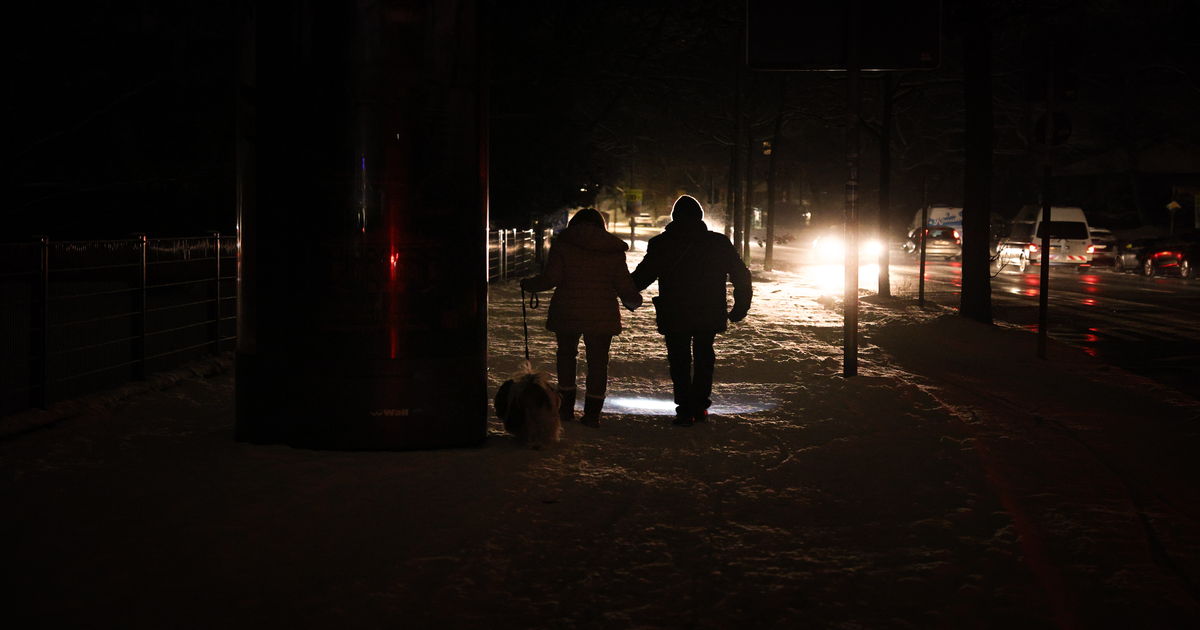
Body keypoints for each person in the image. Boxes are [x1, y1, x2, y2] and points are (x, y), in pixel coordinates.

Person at [631, 195, 751, 427]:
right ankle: (700, 405)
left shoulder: (661, 243)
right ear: (700, 217)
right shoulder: (718, 242)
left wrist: (619, 289)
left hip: (675, 312)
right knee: (705, 355)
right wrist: (741, 306)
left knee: (679, 359)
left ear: (674, 217)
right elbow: (741, 275)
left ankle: (685, 409)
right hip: (709, 310)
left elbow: (642, 277)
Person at [520, 208, 642, 427]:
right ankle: (592, 414)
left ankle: (566, 409)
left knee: (566, 356)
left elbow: (551, 277)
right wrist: (634, 300)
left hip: (568, 310)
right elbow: (624, 285)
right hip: (602, 314)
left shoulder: (564, 244)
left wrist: (529, 285)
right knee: (598, 363)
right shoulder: (611, 248)